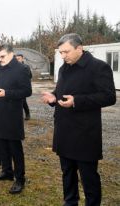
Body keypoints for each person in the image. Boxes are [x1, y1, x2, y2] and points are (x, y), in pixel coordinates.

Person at [41, 33, 116, 206]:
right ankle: (70, 201)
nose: (62, 56)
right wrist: (53, 97)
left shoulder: (98, 67)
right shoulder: (63, 68)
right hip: (64, 130)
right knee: (67, 172)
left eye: (66, 52)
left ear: (79, 48)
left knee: (88, 176)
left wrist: (77, 101)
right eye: (60, 52)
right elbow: (61, 91)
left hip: (85, 132)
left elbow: (109, 96)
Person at [0, 44, 32, 194]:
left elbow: (27, 91)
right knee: (1, 143)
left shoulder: (22, 69)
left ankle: (20, 179)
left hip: (12, 114)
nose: (0, 60)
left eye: (2, 56)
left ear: (11, 54)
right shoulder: (1, 67)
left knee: (14, 148)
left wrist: (6, 94)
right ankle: (7, 171)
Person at [16, 54, 32, 120]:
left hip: (22, 87)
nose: (17, 60)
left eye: (19, 58)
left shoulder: (25, 67)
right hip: (15, 87)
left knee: (23, 102)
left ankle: (27, 114)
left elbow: (29, 76)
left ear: (22, 59)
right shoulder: (14, 67)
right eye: (16, 59)